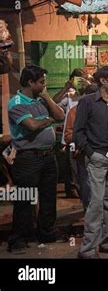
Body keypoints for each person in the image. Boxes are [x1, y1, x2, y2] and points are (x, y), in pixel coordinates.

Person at [7, 65, 65, 254]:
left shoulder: (40, 99)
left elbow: (60, 116)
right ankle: (18, 239)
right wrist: (47, 121)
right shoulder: (16, 102)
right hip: (28, 159)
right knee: (25, 200)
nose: (44, 85)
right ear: (30, 82)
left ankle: (46, 232)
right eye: (41, 82)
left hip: (48, 156)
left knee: (49, 198)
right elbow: (31, 125)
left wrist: (47, 97)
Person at [74, 66, 108, 258]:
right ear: (103, 81)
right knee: (95, 203)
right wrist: (90, 152)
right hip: (97, 158)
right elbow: (78, 132)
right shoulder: (87, 102)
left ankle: (107, 241)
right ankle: (87, 249)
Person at [58, 69, 92, 198]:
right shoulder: (70, 96)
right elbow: (55, 103)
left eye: (83, 79)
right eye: (78, 79)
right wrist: (65, 88)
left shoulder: (91, 96)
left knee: (86, 173)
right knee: (74, 171)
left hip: (88, 142)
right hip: (72, 140)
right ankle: (78, 193)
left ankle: (85, 197)